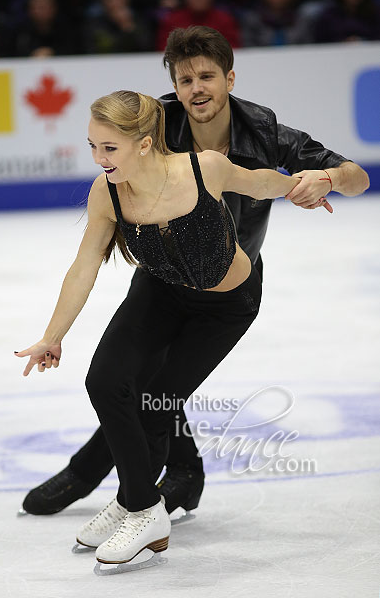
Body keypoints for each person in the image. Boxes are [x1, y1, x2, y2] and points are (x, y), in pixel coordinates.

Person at [20, 26, 369, 523]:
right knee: (137, 382)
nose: (196, 88)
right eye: (185, 80)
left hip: (226, 288)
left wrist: (328, 178)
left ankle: (97, 473)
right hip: (162, 277)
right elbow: (95, 235)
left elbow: (356, 177)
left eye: (207, 76)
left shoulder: (265, 133)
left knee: (156, 391)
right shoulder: (156, 126)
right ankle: (167, 476)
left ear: (229, 78)